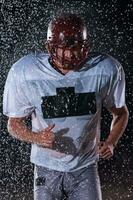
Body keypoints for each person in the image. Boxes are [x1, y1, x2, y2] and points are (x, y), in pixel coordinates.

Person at [3, 13, 129, 200]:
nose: (70, 55)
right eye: (63, 48)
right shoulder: (25, 72)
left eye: (76, 47)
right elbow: (13, 124)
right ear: (50, 47)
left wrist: (111, 142)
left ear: (86, 46)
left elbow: (121, 113)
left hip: (85, 167)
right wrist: (36, 137)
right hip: (46, 167)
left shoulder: (106, 69)